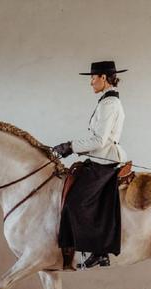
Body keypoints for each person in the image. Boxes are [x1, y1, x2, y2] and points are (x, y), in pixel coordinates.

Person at [52, 60, 128, 268]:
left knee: (76, 201)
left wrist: (70, 146)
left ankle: (99, 250)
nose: (91, 82)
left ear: (104, 78)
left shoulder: (109, 104)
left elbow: (99, 141)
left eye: (93, 78)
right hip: (99, 157)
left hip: (105, 159)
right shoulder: (106, 102)